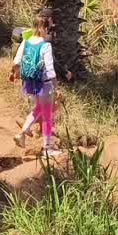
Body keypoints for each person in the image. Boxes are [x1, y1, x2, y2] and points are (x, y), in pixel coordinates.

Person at [9, 10, 70, 157]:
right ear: (44, 28)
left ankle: (22, 134)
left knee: (37, 109)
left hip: (30, 83)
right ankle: (47, 148)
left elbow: (16, 62)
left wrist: (13, 73)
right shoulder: (45, 45)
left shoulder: (26, 41)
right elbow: (50, 70)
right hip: (45, 84)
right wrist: (55, 88)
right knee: (48, 116)